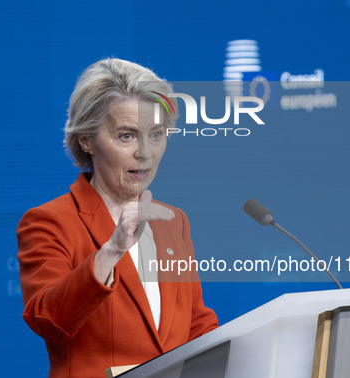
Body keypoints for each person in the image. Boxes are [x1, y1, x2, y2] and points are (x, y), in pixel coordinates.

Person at [17, 58, 218, 377]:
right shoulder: (50, 221)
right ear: (86, 140)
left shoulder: (173, 221)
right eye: (127, 136)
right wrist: (112, 250)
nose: (145, 153)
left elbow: (196, 324)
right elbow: (48, 320)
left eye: (156, 134)